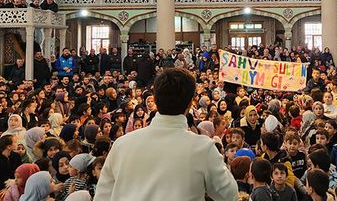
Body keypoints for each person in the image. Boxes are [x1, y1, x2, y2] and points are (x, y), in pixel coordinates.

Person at [95, 68, 237, 200]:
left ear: (155, 100)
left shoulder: (121, 145)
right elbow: (229, 194)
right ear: (190, 104)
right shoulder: (202, 148)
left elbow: (102, 197)